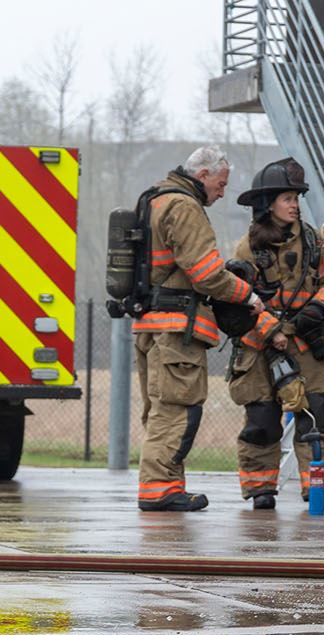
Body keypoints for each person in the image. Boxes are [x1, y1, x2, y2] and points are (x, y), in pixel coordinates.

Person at [132, 147, 263, 512]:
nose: (222, 192)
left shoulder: (154, 200)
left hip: (150, 325)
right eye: (220, 184)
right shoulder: (185, 207)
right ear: (203, 175)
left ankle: (166, 486)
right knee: (177, 409)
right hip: (176, 331)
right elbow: (205, 273)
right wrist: (246, 295)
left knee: (160, 410)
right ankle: (159, 489)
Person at [229, 158, 324, 510]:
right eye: (287, 198)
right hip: (260, 347)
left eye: (296, 198)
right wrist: (272, 331)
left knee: (318, 417)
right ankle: (260, 490)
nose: (295, 205)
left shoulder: (313, 242)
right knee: (261, 422)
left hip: (305, 342)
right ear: (268, 204)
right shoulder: (247, 249)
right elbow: (237, 298)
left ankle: (322, 489)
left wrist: (316, 311)